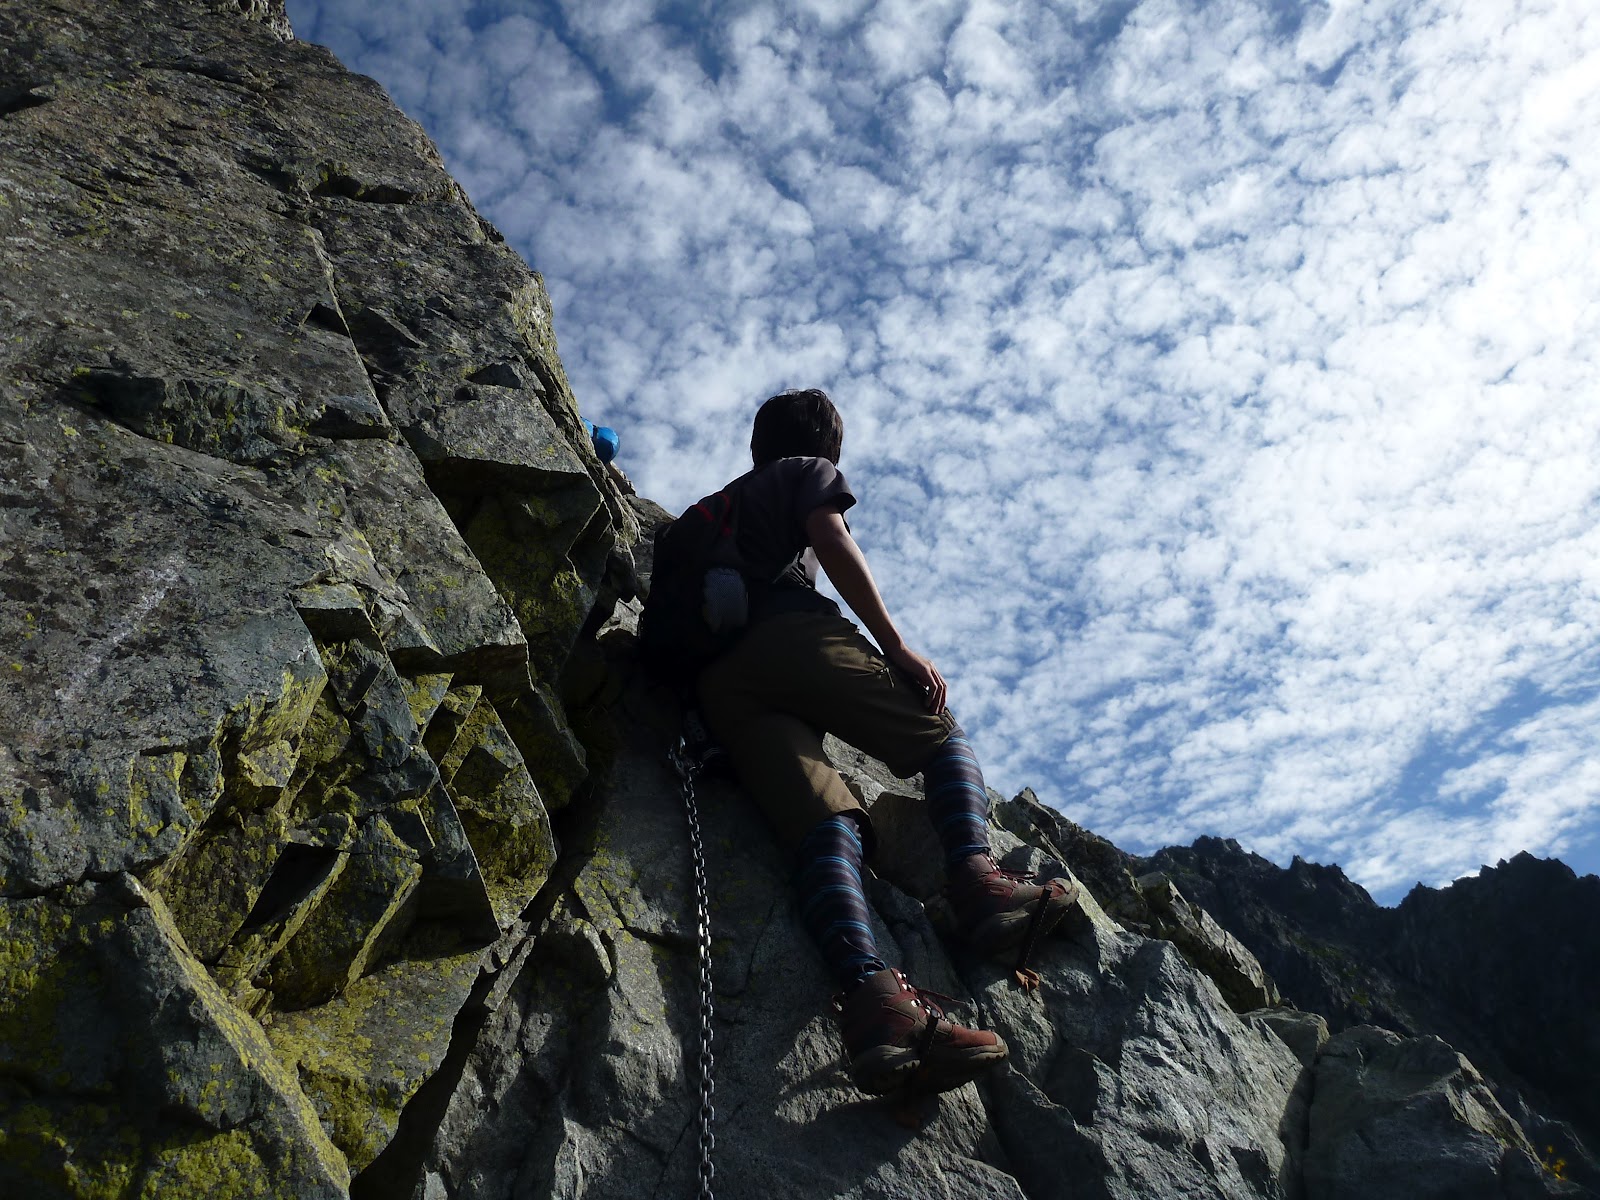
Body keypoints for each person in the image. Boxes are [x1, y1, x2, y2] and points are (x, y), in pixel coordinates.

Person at [694, 388, 1078, 1096]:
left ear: (755, 445)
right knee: (939, 736)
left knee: (825, 822)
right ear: (827, 452)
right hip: (789, 635)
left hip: (718, 693)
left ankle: (880, 1011)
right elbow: (830, 536)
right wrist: (897, 646)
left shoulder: (702, 520)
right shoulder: (804, 472)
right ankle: (980, 885)